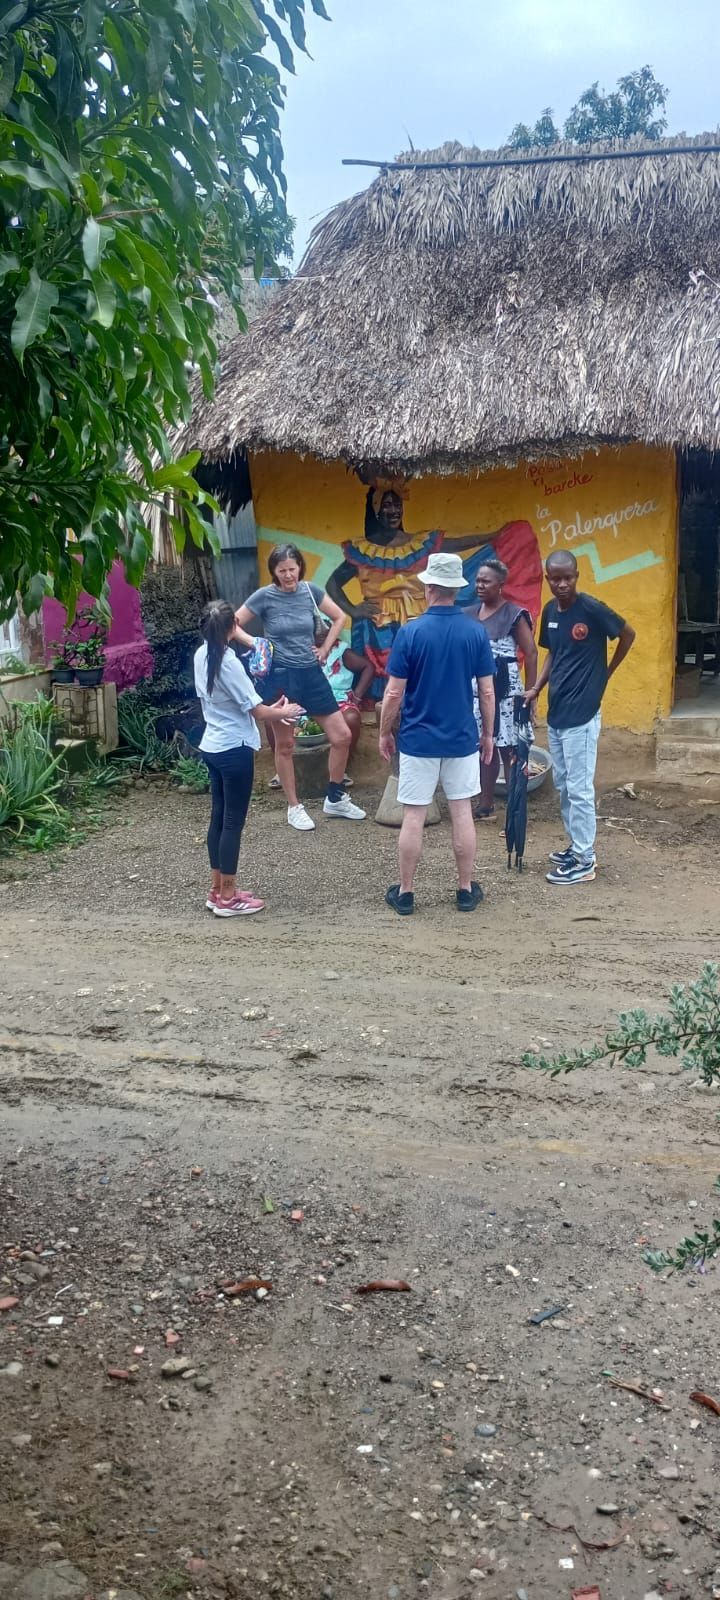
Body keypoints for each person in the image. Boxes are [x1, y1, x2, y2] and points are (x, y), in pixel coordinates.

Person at [326, 485, 543, 701]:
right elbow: (333, 584)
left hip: (419, 617)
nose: (394, 511)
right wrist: (353, 610)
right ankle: (388, 726)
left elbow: (457, 544)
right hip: (377, 627)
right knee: (387, 689)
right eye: (387, 505)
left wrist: (493, 536)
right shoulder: (362, 551)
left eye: (397, 505)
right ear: (375, 510)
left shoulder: (418, 544)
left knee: (423, 676)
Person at [378, 551, 496, 916]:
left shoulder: (411, 632)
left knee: (414, 815)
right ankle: (464, 890)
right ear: (456, 588)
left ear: (429, 587)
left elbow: (394, 692)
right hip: (461, 738)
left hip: (417, 739)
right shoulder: (475, 631)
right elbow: (487, 691)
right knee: (462, 811)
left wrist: (384, 731)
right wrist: (488, 734)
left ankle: (407, 893)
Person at [235, 543, 367, 832]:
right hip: (280, 676)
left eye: (292, 569)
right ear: (274, 571)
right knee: (285, 745)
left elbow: (340, 617)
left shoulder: (310, 591)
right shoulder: (264, 596)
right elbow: (233, 624)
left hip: (310, 673)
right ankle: (294, 807)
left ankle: (334, 797)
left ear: (299, 568)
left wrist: (325, 648)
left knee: (341, 735)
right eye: (281, 571)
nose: (288, 576)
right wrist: (256, 643)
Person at [525, 550, 636, 886]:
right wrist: (536, 689)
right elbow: (552, 654)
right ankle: (577, 847)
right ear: (547, 578)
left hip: (583, 714)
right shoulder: (550, 612)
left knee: (579, 789)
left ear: (576, 575)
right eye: (555, 578)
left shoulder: (590, 608)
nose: (561, 584)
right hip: (558, 713)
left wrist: (607, 673)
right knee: (563, 787)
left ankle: (585, 861)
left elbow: (627, 634)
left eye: (567, 577)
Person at [194, 601, 304, 918]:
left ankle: (217, 889)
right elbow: (256, 710)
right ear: (232, 628)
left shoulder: (203, 655)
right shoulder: (227, 661)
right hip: (234, 748)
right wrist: (285, 711)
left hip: (213, 746)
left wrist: (234, 634)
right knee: (232, 823)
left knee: (219, 817)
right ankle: (228, 897)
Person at [465, 559, 538, 820]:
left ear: (500, 585)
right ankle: (485, 805)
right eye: (478, 580)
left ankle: (514, 810)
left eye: (486, 581)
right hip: (477, 691)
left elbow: (530, 653)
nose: (480, 585)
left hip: (507, 692)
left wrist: (531, 694)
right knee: (485, 746)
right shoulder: (469, 614)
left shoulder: (514, 614)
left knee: (510, 749)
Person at [266, 641, 375, 788]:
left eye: (327, 627)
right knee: (272, 720)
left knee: (351, 718)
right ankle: (282, 771)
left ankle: (341, 771)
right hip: (301, 701)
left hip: (337, 700)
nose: (322, 633)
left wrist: (357, 697)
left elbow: (368, 666)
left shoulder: (341, 651)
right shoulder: (296, 650)